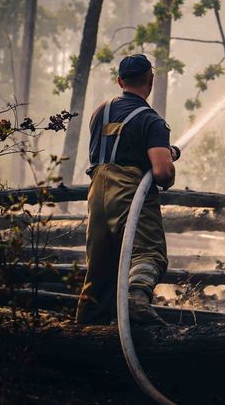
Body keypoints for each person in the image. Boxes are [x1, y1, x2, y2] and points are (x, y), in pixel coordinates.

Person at [75, 54, 179, 325]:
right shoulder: (152, 121)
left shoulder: (100, 112)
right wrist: (168, 163)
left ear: (120, 81)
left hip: (97, 193)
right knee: (149, 253)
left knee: (99, 270)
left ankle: (86, 332)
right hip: (131, 193)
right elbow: (162, 172)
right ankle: (136, 298)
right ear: (150, 80)